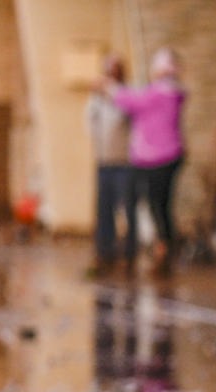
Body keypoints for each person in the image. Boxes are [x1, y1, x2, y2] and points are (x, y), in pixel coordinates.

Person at [109, 47, 186, 277]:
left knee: (156, 205)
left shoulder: (162, 95)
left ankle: (163, 249)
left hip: (158, 158)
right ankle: (158, 247)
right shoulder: (167, 93)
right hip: (156, 157)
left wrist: (110, 87)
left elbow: (130, 100)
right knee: (157, 205)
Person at [87, 53, 136, 276]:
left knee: (126, 210)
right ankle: (104, 251)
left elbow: (129, 115)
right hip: (105, 162)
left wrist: (113, 91)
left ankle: (127, 253)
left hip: (125, 163)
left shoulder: (127, 96)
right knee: (103, 209)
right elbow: (89, 124)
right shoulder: (97, 101)